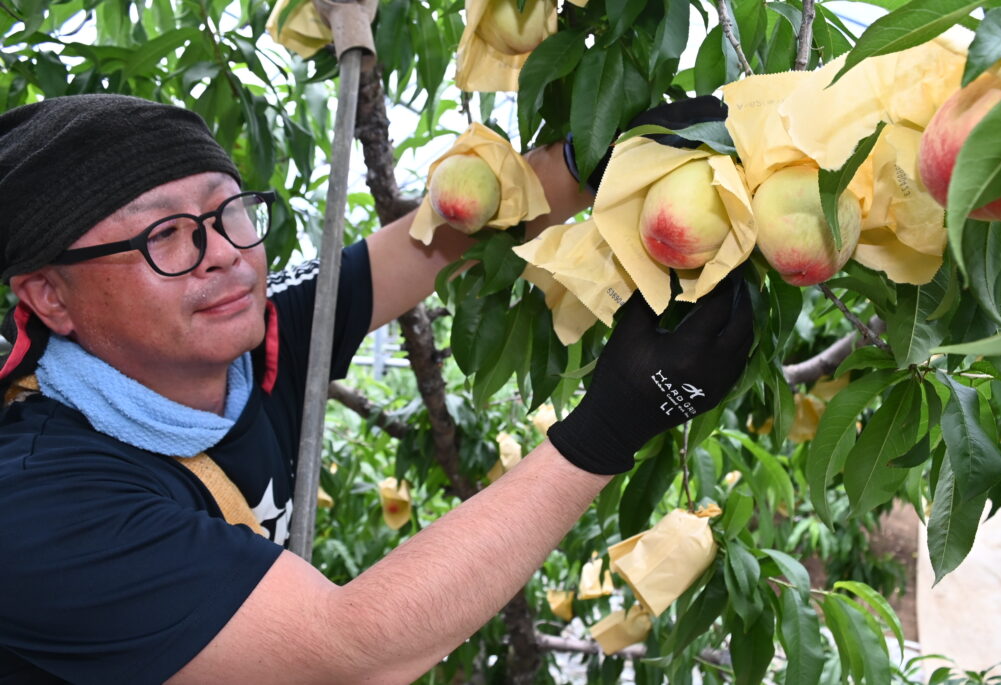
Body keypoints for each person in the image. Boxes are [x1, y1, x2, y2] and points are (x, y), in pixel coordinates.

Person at [0, 93, 753, 684]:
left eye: (230, 210)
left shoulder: (252, 336)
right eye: (162, 235)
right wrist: (606, 428)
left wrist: (597, 160)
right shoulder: (40, 502)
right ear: (50, 296)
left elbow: (441, 240)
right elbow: (352, 653)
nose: (224, 255)